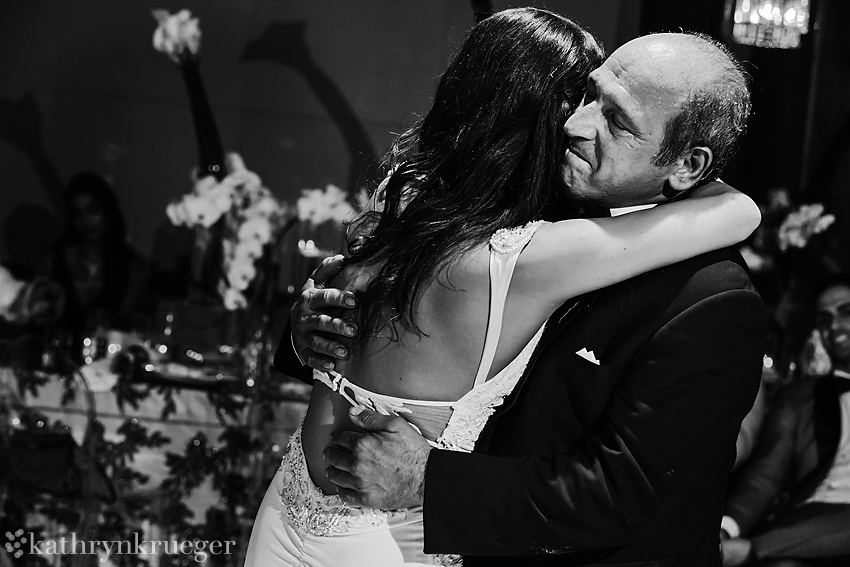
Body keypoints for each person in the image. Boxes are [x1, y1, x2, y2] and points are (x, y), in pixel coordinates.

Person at [265, 13, 765, 567]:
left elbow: (621, 491)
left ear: (688, 166)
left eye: (618, 121)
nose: (577, 124)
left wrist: (431, 481)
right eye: (588, 95)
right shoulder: (519, 212)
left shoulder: (711, 299)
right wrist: (311, 327)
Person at [720, 274, 850, 567]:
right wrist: (726, 530)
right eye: (824, 319)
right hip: (812, 521)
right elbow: (766, 474)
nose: (835, 326)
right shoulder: (800, 397)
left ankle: (754, 549)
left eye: (846, 311)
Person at [42, 171, 148, 333]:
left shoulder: (133, 267)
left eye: (93, 210)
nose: (86, 221)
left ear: (107, 211)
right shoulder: (53, 261)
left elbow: (126, 325)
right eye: (77, 213)